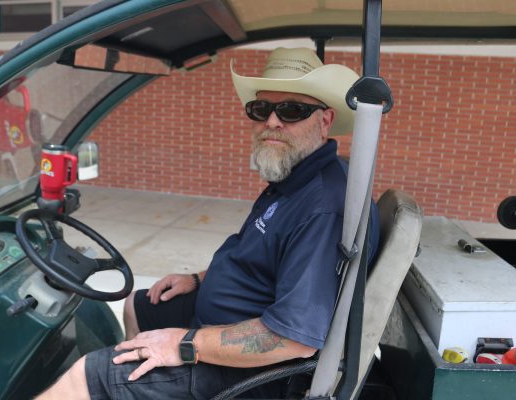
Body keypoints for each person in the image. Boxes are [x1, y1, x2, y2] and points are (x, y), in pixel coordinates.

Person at [35, 47, 380, 400]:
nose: (272, 122)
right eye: (261, 109)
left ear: (324, 121)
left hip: (256, 375)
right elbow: (261, 260)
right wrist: (198, 279)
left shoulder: (323, 209)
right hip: (226, 323)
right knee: (137, 305)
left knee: (85, 378)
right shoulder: (294, 179)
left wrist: (183, 344)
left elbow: (291, 339)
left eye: (292, 110)